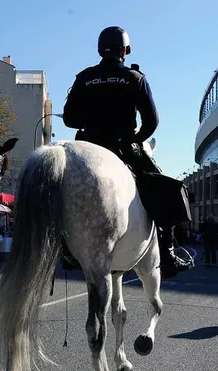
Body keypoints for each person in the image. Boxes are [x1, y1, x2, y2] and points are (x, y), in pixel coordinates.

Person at [62, 26, 192, 279]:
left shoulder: (84, 77)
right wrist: (135, 139)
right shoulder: (135, 78)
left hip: (88, 143)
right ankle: (168, 254)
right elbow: (151, 122)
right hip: (122, 145)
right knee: (163, 188)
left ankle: (57, 246)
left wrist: (90, 118)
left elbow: (68, 119)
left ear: (100, 49)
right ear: (125, 50)